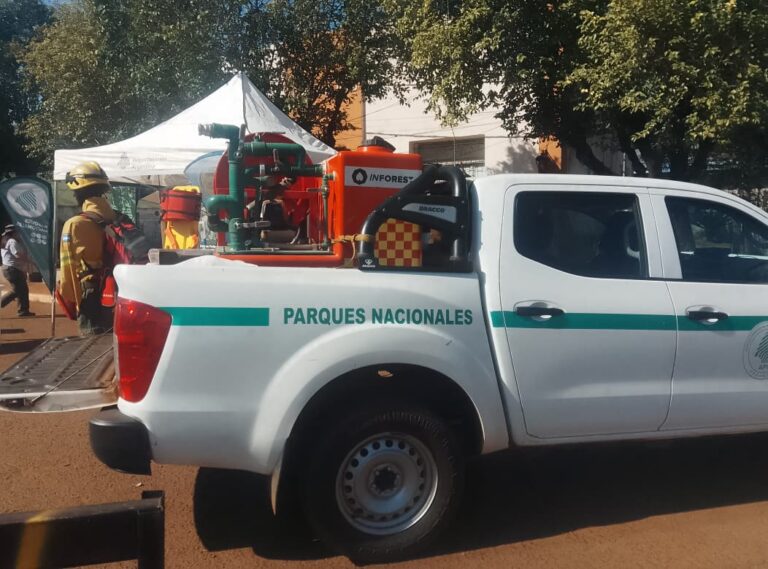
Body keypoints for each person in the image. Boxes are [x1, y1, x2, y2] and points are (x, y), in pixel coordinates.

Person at [58, 161, 116, 335]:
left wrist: (73, 301)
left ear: (77, 194)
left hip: (89, 292)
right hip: (116, 287)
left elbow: (68, 270)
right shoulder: (115, 218)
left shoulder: (74, 224)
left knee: (93, 342)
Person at [0, 224, 34, 317]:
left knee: (22, 289)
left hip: (13, 269)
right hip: (12, 269)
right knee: (18, 290)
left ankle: (23, 310)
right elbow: (18, 254)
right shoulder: (12, 241)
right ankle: (3, 303)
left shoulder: (7, 240)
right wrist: (30, 261)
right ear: (14, 233)